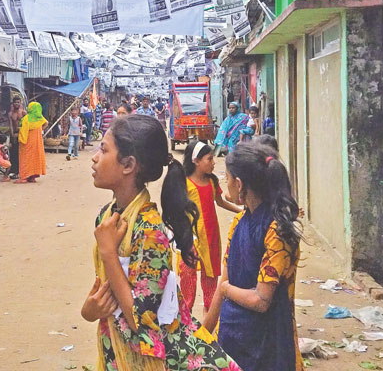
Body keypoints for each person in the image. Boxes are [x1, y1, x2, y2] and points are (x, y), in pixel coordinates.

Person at [82, 115, 240, 371]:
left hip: (152, 359)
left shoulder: (150, 230)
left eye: (104, 149)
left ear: (128, 165)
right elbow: (104, 291)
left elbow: (140, 320)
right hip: (116, 351)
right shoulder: (107, 217)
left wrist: (109, 252)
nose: (95, 157)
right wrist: (88, 311)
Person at [204, 142, 303, 371]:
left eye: (226, 177)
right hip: (233, 338)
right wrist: (204, 336)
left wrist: (226, 290)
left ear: (239, 184)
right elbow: (224, 281)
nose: (224, 182)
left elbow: (261, 300)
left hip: (266, 344)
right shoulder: (239, 222)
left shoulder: (277, 230)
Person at [180, 140, 243, 315]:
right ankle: (186, 317)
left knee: (210, 278)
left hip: (211, 236)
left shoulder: (212, 182)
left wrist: (240, 210)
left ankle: (208, 323)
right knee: (188, 277)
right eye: (209, 159)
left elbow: (220, 202)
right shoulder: (184, 184)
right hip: (191, 238)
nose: (214, 162)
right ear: (196, 161)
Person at [17, 101, 47, 184]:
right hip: (37, 142)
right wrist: (40, 130)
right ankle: (32, 177)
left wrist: (21, 140)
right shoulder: (40, 118)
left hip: (27, 142)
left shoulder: (26, 119)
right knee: (35, 158)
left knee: (25, 158)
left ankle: (23, 177)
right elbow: (46, 123)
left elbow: (22, 131)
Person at [9, 96, 25, 179]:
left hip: (21, 134)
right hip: (14, 135)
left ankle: (21, 171)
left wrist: (20, 133)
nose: (16, 104)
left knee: (21, 153)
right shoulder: (11, 114)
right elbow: (11, 125)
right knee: (13, 153)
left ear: (20, 103)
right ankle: (14, 171)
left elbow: (26, 124)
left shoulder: (23, 112)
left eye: (18, 102)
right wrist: (12, 135)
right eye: (15, 102)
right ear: (13, 103)